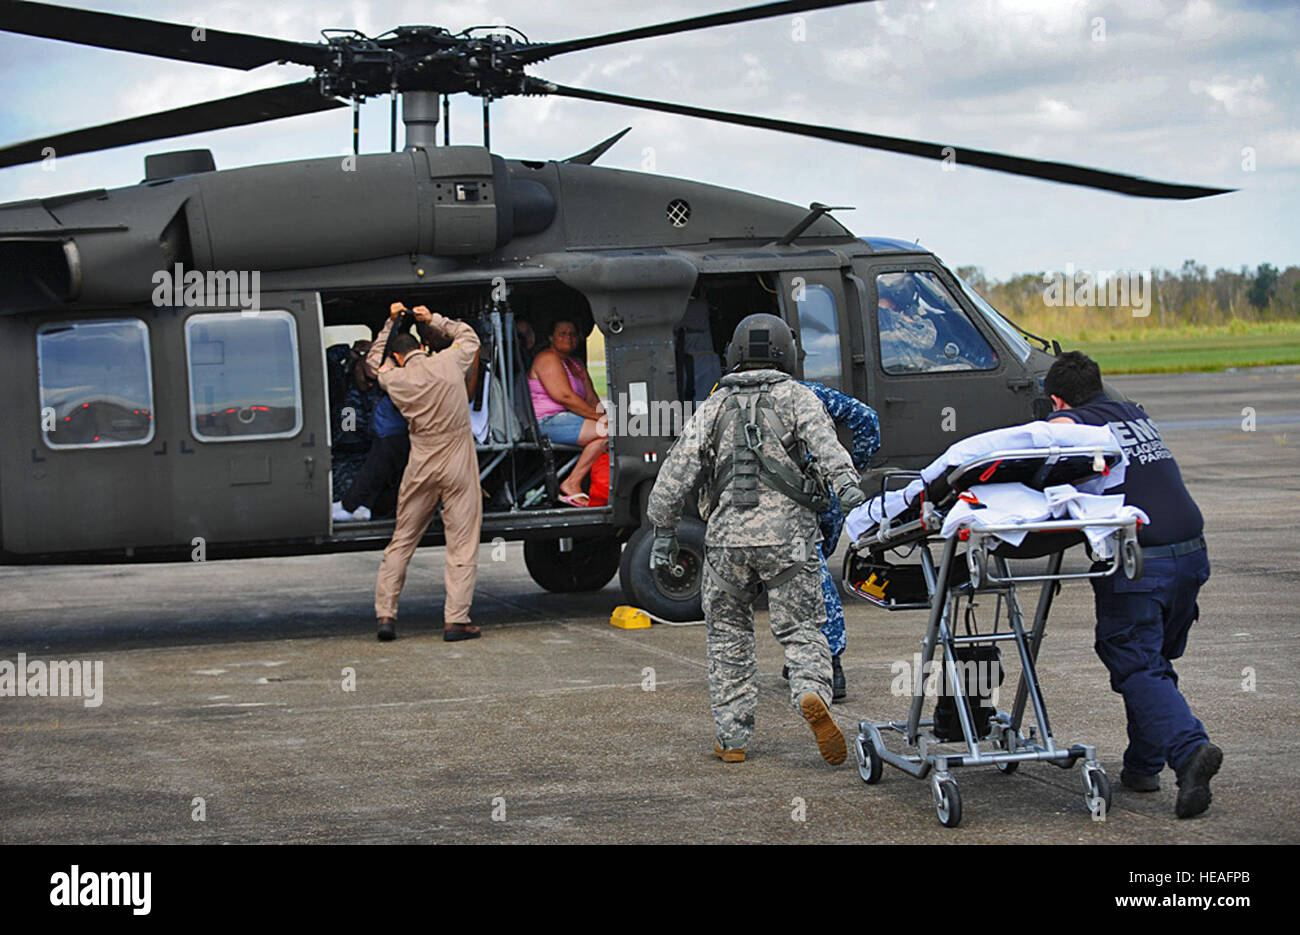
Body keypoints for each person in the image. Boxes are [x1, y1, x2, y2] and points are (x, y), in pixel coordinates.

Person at [647, 313, 867, 765]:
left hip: (726, 543)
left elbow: (675, 474)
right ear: (787, 352)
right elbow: (828, 449)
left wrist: (664, 531)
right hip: (789, 542)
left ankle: (732, 739)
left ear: (735, 355)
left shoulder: (711, 407)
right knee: (803, 629)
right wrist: (847, 488)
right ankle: (810, 692)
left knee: (728, 637)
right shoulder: (799, 398)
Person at [1046, 350, 1220, 818]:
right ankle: (1143, 766)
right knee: (1153, 662)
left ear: (1059, 401)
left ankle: (1188, 750)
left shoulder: (1073, 428)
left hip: (1141, 558)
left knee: (1135, 661)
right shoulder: (1135, 415)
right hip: (1191, 550)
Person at [367, 302, 482, 643]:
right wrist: (434, 319)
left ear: (399, 357)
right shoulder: (449, 361)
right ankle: (456, 620)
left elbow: (374, 363)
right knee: (461, 542)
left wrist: (390, 323)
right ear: (421, 347)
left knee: (402, 540)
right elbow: (469, 337)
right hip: (458, 456)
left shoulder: (396, 377)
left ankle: (386, 615)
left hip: (421, 459)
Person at [782, 382, 880, 701]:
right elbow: (866, 417)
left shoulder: (735, 398)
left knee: (808, 572)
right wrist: (857, 467)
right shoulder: (810, 392)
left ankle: (829, 664)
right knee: (813, 568)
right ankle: (810, 657)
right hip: (830, 494)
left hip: (788, 501)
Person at [528, 318, 607, 506]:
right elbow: (565, 397)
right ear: (551, 337)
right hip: (547, 421)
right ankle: (571, 483)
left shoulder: (576, 363)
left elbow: (591, 399)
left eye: (572, 334)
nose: (568, 338)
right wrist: (601, 419)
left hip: (569, 419)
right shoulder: (547, 358)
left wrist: (605, 416)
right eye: (562, 333)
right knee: (608, 431)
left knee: (611, 431)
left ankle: (591, 488)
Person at [327, 340, 380, 516]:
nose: (371, 383)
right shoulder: (341, 383)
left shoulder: (378, 391)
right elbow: (329, 357)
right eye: (367, 377)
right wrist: (351, 351)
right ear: (357, 367)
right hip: (344, 458)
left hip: (368, 456)